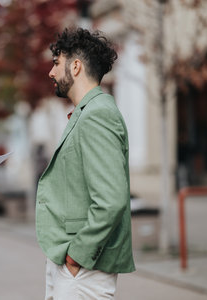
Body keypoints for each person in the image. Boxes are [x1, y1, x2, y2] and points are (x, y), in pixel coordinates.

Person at [35, 28, 135, 299]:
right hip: (72, 264)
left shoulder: (97, 115)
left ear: (76, 66)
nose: (51, 73)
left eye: (56, 63)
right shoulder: (87, 112)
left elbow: (111, 200)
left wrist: (77, 255)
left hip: (83, 269)